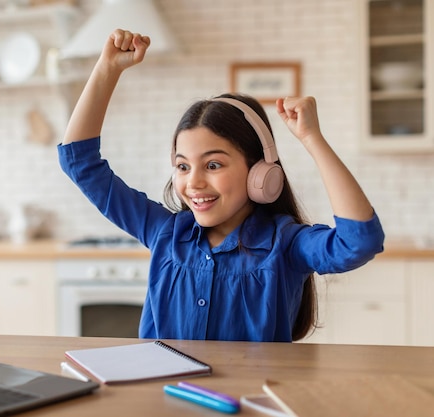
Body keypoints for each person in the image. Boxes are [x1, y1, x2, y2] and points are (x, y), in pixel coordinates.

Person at [58, 29, 385, 342]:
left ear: (260, 172)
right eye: (183, 166)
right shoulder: (166, 233)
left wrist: (312, 139)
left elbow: (358, 242)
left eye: (213, 165)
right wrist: (107, 69)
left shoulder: (284, 244)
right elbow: (79, 163)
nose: (194, 182)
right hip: (164, 396)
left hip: (249, 398)